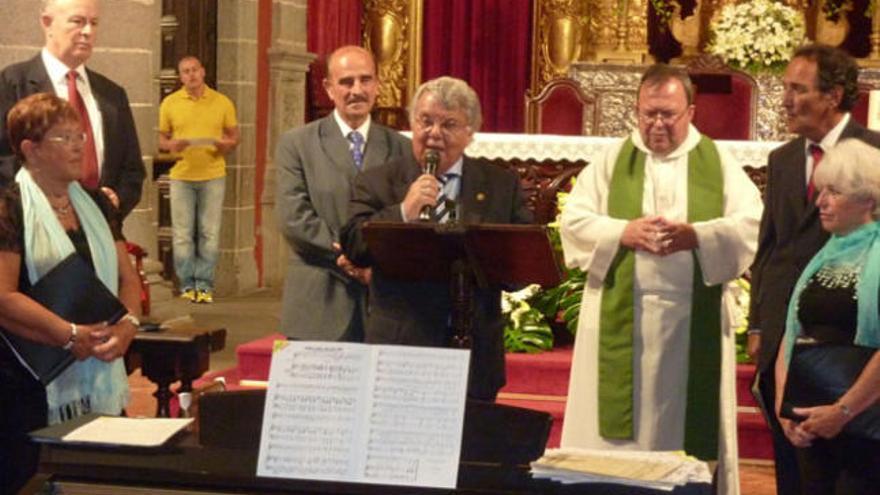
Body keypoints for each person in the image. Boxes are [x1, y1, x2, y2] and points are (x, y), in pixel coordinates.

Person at [559, 64, 762, 494]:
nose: (656, 124)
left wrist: (697, 236)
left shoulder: (718, 162)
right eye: (648, 113)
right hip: (621, 316)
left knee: (683, 428)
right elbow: (573, 221)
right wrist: (622, 232)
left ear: (690, 111)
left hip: (692, 320)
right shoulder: (613, 160)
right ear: (636, 109)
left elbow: (751, 224)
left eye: (667, 114)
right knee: (618, 436)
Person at [340, 76, 532, 400]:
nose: (434, 134)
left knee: (471, 447)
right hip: (401, 348)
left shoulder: (501, 184)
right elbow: (354, 244)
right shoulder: (378, 182)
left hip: (475, 349)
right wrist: (404, 211)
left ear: (470, 132)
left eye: (449, 124)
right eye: (425, 121)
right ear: (412, 124)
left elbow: (521, 256)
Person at [747, 43, 880, 495]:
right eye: (785, 87)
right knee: (796, 470)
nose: (785, 99)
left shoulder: (875, 153)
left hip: (851, 350)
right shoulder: (782, 159)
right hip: (787, 341)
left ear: (834, 96)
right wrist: (758, 325)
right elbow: (769, 250)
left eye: (798, 89)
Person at [0, 93, 141, 494]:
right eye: (64, 137)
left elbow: (127, 278)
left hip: (96, 363)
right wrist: (68, 333)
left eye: (80, 134)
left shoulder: (96, 202)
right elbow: (3, 295)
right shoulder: (9, 206)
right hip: (27, 379)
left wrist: (128, 325)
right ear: (31, 149)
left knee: (96, 478)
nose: (80, 144)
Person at [275, 45, 411, 342]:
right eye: (346, 82)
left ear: (377, 85)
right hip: (318, 300)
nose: (357, 90)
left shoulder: (401, 147)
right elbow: (294, 217)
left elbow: (406, 219)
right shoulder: (297, 144)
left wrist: (375, 265)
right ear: (328, 88)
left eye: (365, 80)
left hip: (382, 299)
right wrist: (348, 257)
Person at [774, 138, 880, 494]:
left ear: (867, 198)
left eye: (833, 192)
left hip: (866, 428)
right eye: (822, 191)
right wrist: (783, 407)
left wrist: (844, 412)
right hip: (814, 424)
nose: (820, 202)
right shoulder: (822, 254)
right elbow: (793, 332)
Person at [0, 0, 146, 219]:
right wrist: (43, 204)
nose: (88, 31)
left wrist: (116, 200)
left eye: (94, 23)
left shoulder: (112, 95)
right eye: (78, 21)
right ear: (47, 23)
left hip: (100, 228)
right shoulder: (13, 83)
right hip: (33, 228)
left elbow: (132, 170)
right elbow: (4, 159)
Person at [159, 56, 239, 304]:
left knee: (209, 233)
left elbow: (234, 136)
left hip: (213, 174)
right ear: (180, 77)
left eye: (195, 70)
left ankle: (204, 285)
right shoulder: (170, 103)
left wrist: (226, 145)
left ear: (203, 72)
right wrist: (171, 144)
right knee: (182, 234)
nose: (191, 75)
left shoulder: (222, 102)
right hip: (181, 175)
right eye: (185, 72)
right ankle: (186, 285)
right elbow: (162, 140)